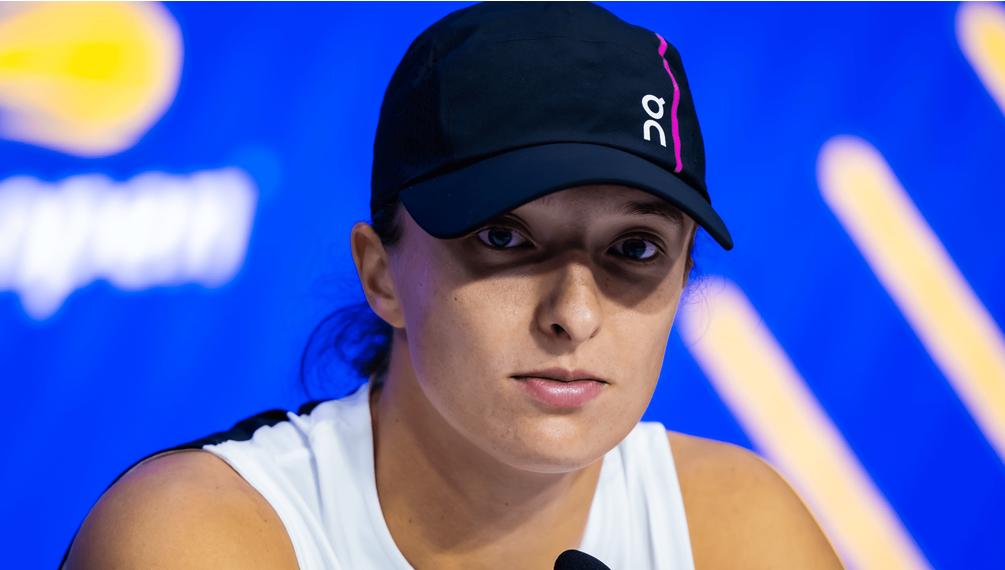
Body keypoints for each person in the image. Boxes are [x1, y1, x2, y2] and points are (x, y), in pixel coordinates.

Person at [63, 2, 842, 569]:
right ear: (381, 273)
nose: (573, 314)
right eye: (503, 238)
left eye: (634, 249)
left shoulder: (737, 533)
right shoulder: (201, 536)